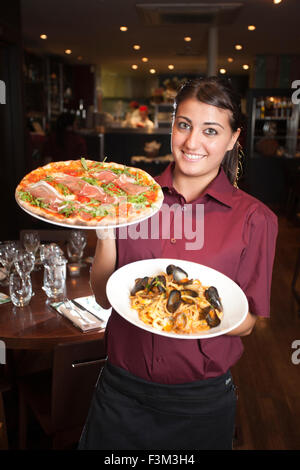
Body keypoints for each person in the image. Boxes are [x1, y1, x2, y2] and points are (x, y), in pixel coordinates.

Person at [78, 77, 278, 450]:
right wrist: (105, 235)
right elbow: (105, 297)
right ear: (172, 126)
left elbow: (248, 322)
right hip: (120, 390)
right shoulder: (132, 198)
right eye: (184, 125)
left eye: (211, 130)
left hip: (199, 403)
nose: (192, 142)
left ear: (234, 138)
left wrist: (196, 311)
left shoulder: (256, 219)